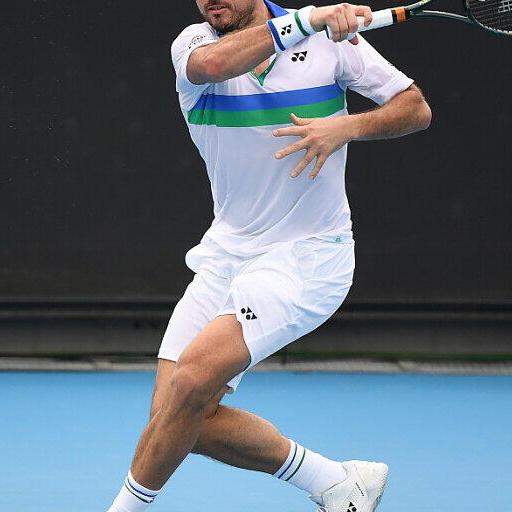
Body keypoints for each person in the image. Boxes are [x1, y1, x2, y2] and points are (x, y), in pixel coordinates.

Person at [106, 1, 431, 511]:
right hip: (226, 255)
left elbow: (415, 108)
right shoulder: (193, 46)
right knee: (175, 416)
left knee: (190, 383)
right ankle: (335, 482)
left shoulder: (333, 44)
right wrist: (310, 20)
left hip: (308, 257)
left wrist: (346, 127)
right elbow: (215, 66)